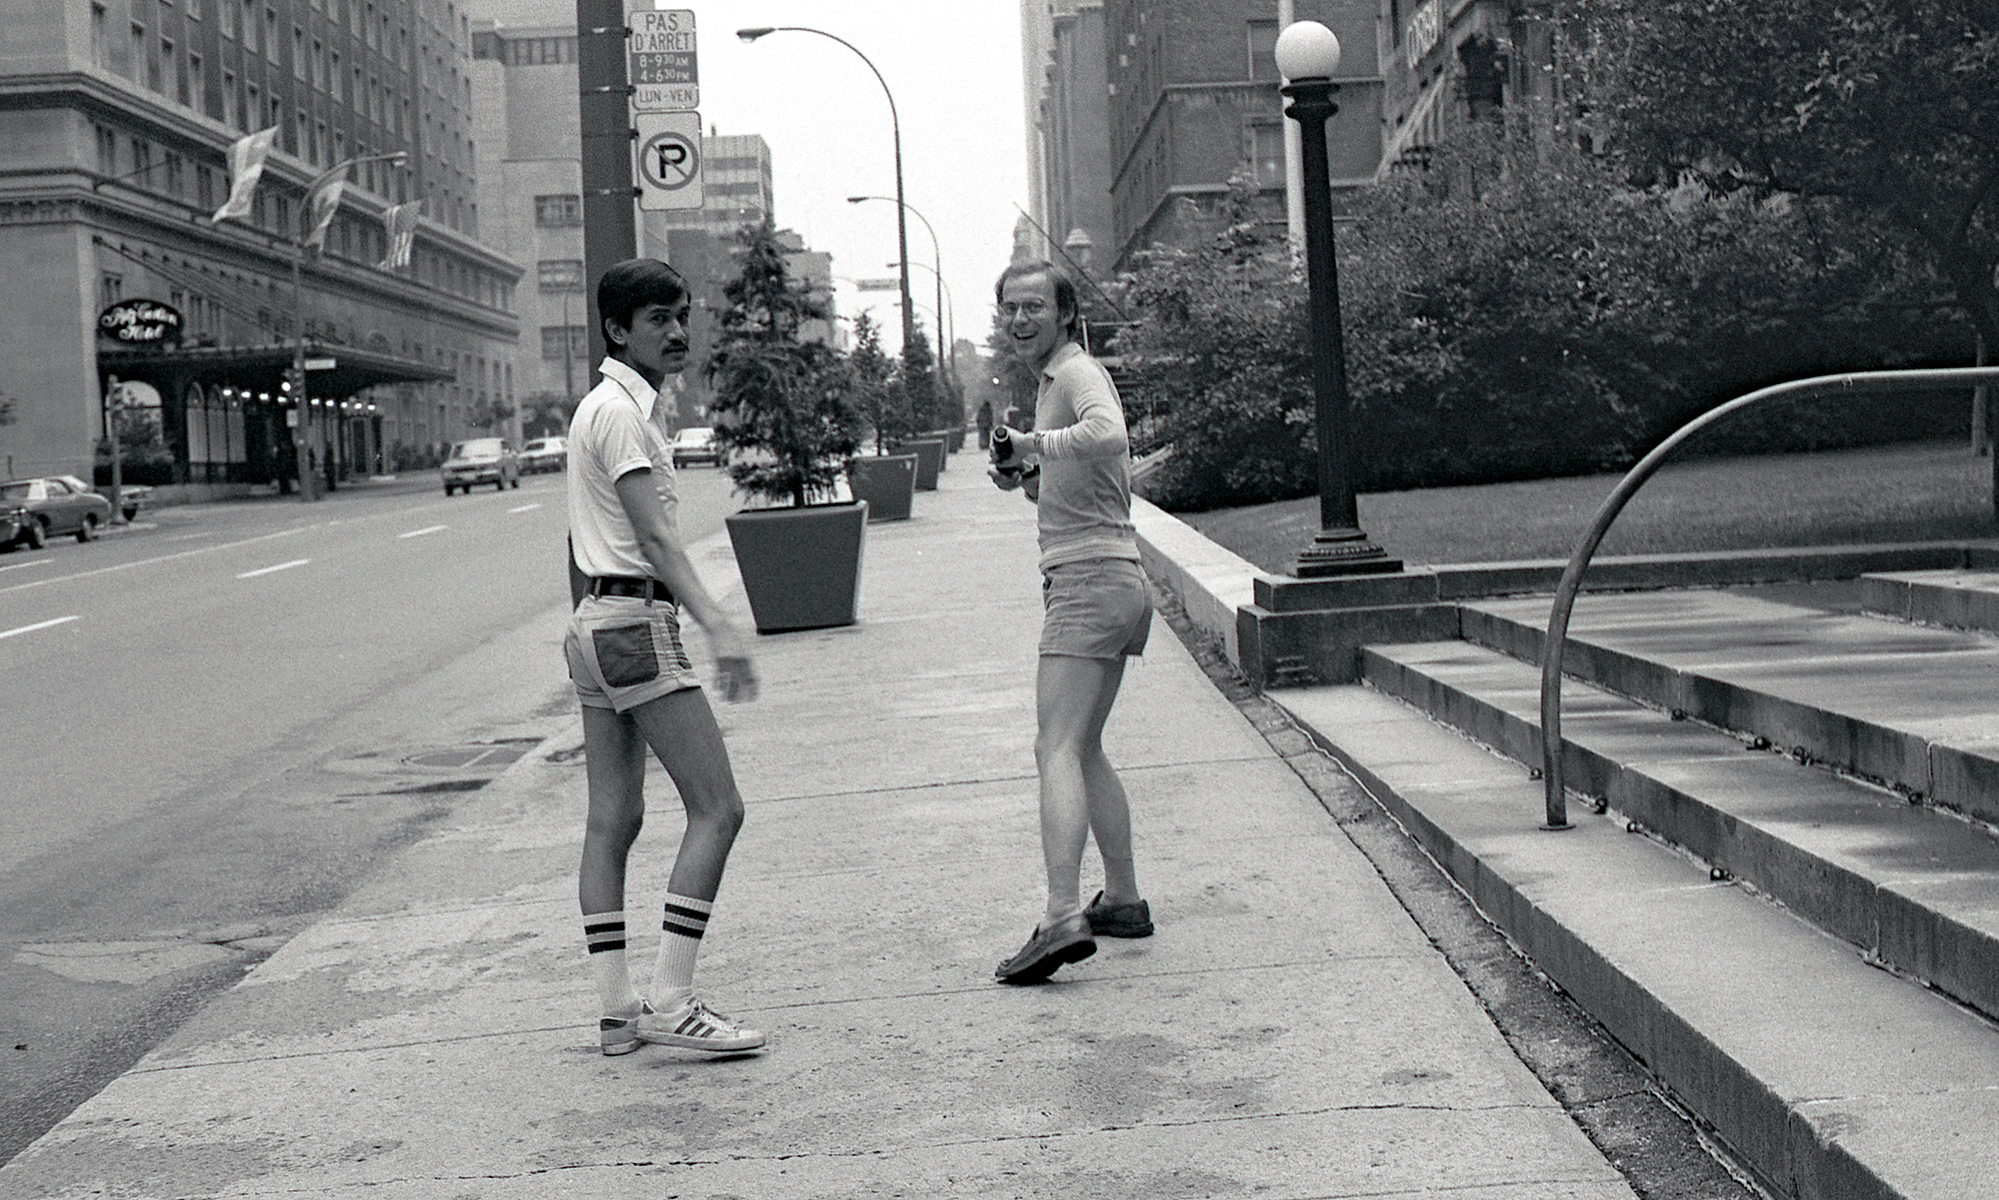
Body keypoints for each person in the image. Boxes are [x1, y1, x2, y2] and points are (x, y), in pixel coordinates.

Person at [565, 257, 766, 1054]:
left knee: (614, 818)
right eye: (657, 319)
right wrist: (718, 624)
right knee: (719, 809)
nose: (677, 331)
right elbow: (652, 535)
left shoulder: (610, 408)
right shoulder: (618, 412)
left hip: (594, 625)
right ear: (618, 329)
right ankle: (672, 999)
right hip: (634, 624)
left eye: (681, 314)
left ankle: (617, 1013)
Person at [987, 259, 1156, 986]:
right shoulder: (1052, 383)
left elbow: (1109, 435)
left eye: (1033, 307)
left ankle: (1061, 914)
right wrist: (1023, 474)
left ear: (1064, 314)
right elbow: (1067, 486)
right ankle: (1120, 898)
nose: (1019, 319)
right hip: (1112, 578)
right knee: (1082, 744)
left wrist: (1033, 446)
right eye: (1008, 309)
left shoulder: (1076, 375)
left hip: (1089, 583)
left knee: (1052, 745)